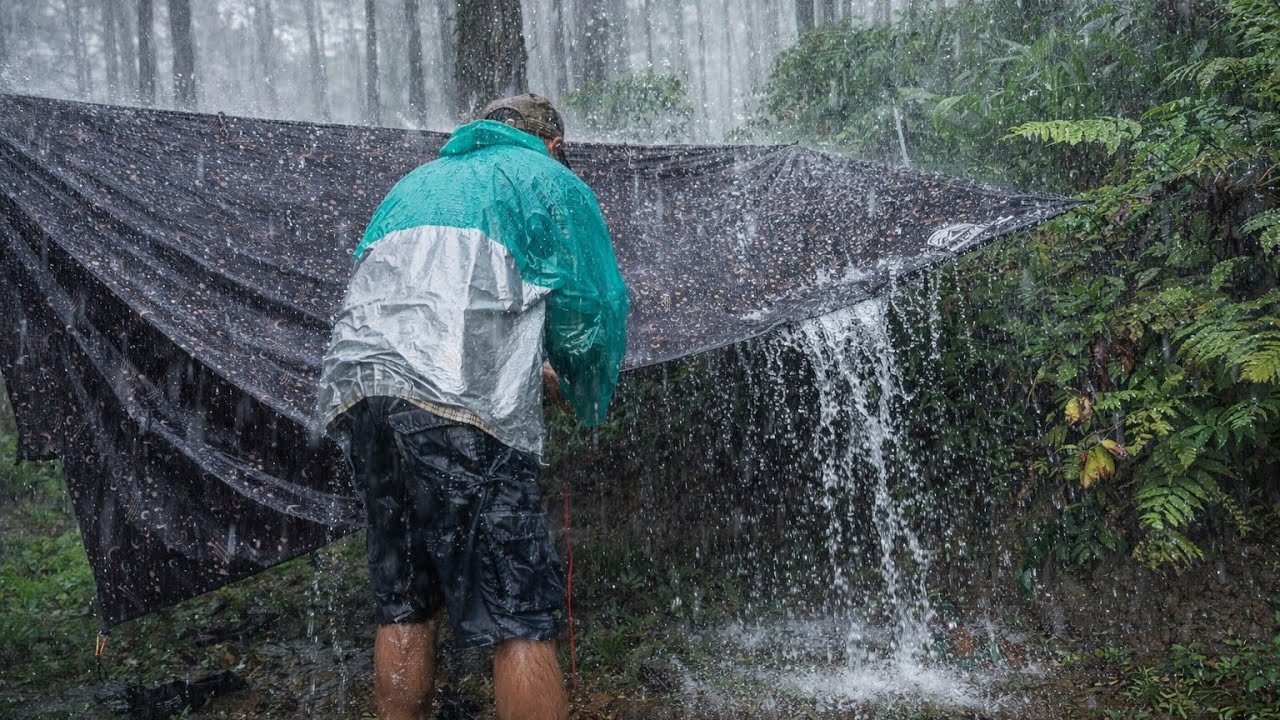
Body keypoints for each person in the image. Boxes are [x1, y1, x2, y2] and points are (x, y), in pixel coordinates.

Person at [316, 93, 629, 720]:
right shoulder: (547, 178)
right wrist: (579, 388)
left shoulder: (415, 184)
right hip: (456, 404)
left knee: (405, 598)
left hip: (362, 393)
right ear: (556, 146)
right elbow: (591, 311)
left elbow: (418, 305)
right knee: (520, 612)